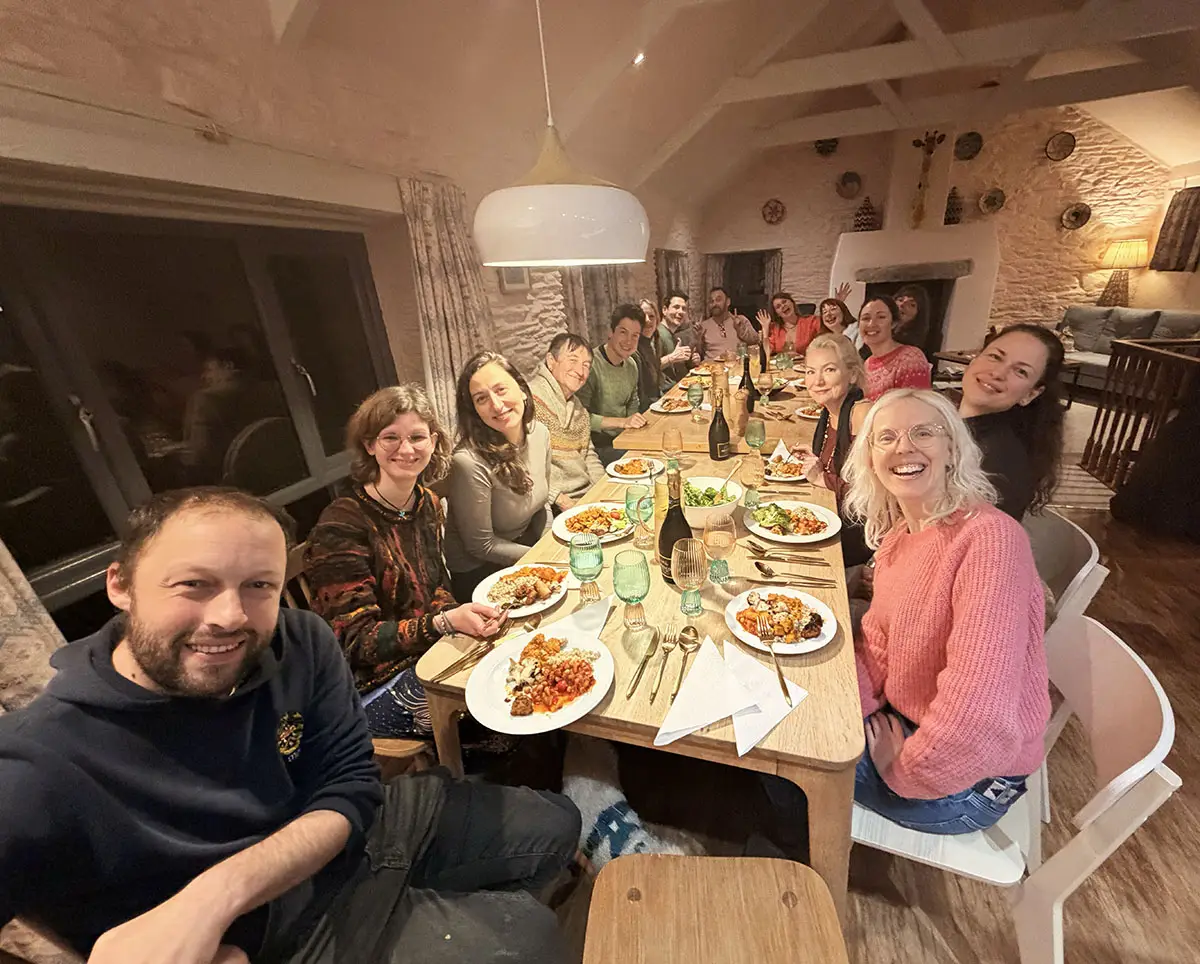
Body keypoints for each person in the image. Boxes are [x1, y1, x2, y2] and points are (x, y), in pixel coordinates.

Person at [0, 487, 580, 964]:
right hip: (289, 933)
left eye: (259, 586)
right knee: (530, 937)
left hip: (358, 838)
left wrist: (212, 897)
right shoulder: (38, 763)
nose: (229, 617)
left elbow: (351, 785)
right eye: (193, 584)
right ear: (120, 584)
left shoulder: (301, 640)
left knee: (560, 823)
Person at [838, 389, 1049, 833]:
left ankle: (796, 877)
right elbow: (878, 648)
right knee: (802, 727)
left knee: (785, 767)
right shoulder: (900, 538)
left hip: (970, 779)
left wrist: (906, 769)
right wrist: (835, 708)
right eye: (887, 437)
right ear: (870, 460)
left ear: (952, 448)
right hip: (916, 724)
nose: (904, 447)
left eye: (923, 433)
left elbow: (980, 717)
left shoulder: (990, 540)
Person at [305, 386, 504, 739]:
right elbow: (357, 642)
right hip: (370, 687)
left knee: (518, 665)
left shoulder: (424, 502)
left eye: (417, 437)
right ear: (369, 445)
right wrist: (444, 623)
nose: (407, 449)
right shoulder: (341, 525)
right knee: (500, 712)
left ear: (433, 441)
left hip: (428, 652)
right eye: (390, 438)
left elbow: (437, 586)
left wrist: (459, 617)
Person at [444, 351, 553, 599]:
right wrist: (542, 559)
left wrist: (550, 546)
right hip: (481, 572)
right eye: (481, 399)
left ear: (522, 389)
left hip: (525, 549)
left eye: (501, 389)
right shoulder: (468, 462)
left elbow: (541, 505)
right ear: (475, 411)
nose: (495, 404)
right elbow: (480, 545)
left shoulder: (540, 434)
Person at [957, 323, 1066, 520]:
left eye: (1020, 371)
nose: (998, 373)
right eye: (995, 357)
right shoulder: (950, 422)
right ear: (973, 360)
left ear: (1031, 394)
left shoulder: (998, 463)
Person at [789, 334, 872, 567]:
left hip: (857, 542)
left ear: (853, 374)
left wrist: (822, 478)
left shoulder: (862, 415)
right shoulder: (830, 411)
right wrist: (819, 458)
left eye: (829, 370)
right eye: (810, 371)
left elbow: (871, 496)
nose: (818, 381)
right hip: (834, 520)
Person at [529, 333, 605, 513]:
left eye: (586, 365)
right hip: (549, 505)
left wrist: (603, 490)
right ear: (551, 360)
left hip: (583, 496)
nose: (580, 371)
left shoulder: (579, 409)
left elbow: (588, 456)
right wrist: (560, 499)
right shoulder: (530, 400)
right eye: (573, 360)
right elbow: (525, 467)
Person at [575, 304, 648, 466]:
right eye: (623, 332)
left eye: (635, 335)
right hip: (598, 446)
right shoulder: (591, 365)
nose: (629, 341)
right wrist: (622, 422)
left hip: (623, 439)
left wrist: (634, 428)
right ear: (610, 332)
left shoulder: (631, 365)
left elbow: (632, 405)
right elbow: (579, 418)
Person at [859, 296, 932, 401]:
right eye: (866, 318)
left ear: (894, 323)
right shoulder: (867, 364)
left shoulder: (910, 358)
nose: (871, 324)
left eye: (881, 317)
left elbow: (915, 408)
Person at [696, 287, 760, 361]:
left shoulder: (741, 320)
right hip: (711, 368)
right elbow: (698, 354)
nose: (714, 304)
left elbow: (755, 342)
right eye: (711, 301)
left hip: (737, 367)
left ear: (728, 302)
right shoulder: (703, 326)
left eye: (718, 300)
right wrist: (698, 338)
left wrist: (740, 329)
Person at [756, 292, 822, 357]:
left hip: (807, 364)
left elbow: (826, 342)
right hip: (783, 366)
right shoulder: (775, 328)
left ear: (792, 303)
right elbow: (768, 352)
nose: (783, 306)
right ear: (777, 314)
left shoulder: (812, 321)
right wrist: (765, 328)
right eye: (778, 306)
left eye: (784, 302)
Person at [657, 290, 696, 386]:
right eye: (676, 307)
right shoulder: (657, 334)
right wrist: (672, 358)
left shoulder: (673, 335)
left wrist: (692, 361)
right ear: (664, 310)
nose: (681, 312)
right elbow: (649, 368)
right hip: (666, 394)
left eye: (684, 309)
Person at [635, 298, 664, 406]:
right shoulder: (634, 348)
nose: (647, 320)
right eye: (643, 317)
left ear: (657, 319)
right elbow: (640, 394)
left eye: (651, 316)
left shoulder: (655, 340)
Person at [893, 284, 931, 355]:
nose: (902, 305)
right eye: (900, 300)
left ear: (919, 313)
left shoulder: (910, 347)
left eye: (911, 304)